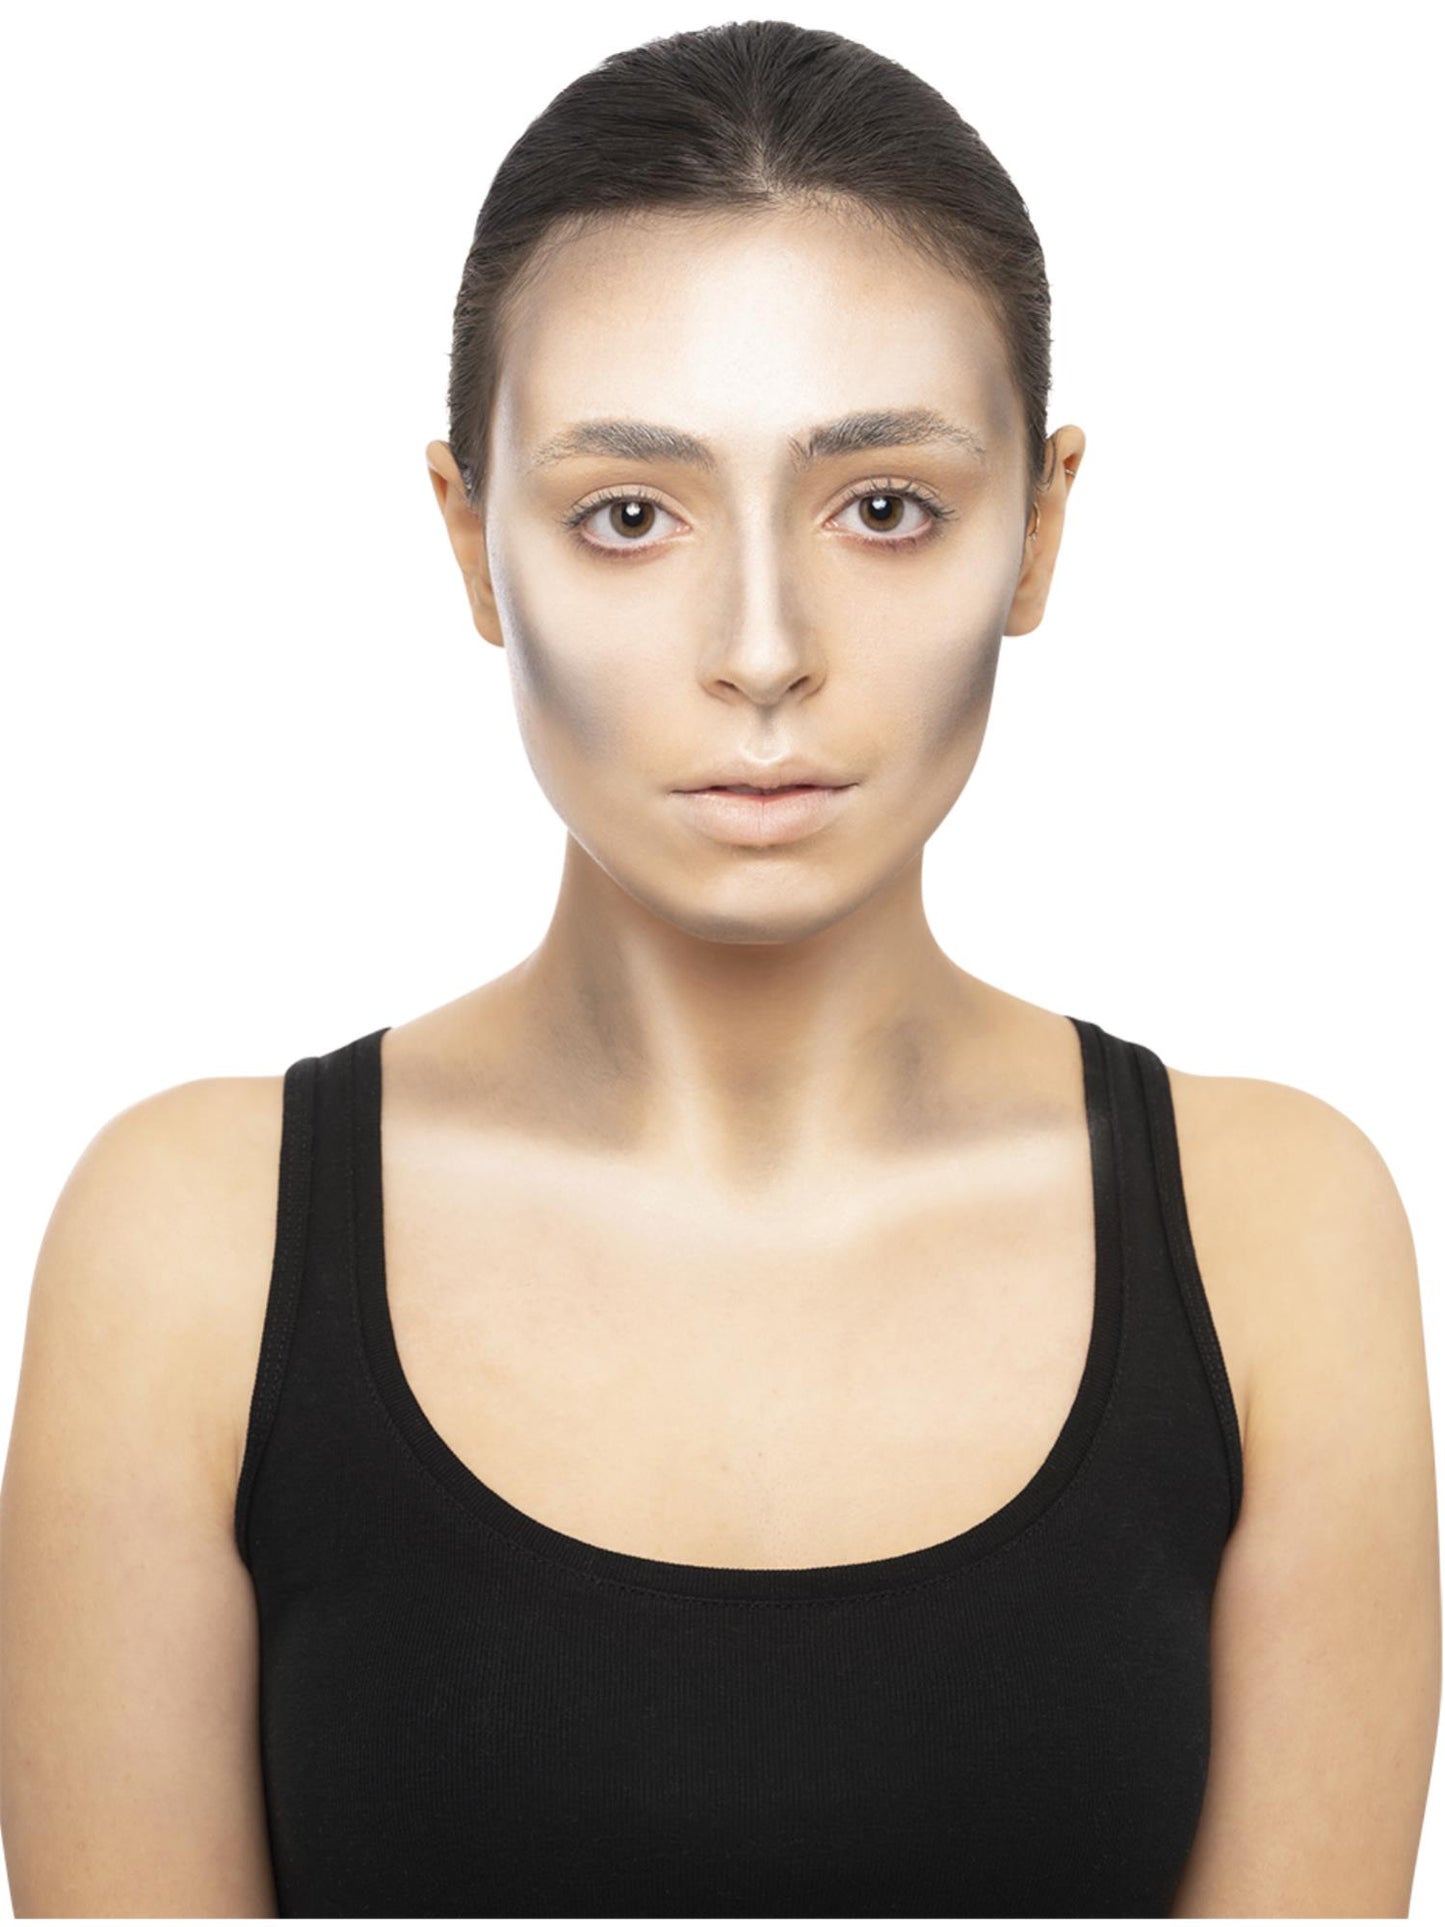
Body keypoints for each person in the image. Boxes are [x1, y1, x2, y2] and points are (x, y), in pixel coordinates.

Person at [1, 19, 1437, 1920]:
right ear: (470, 541)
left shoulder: (1274, 1238)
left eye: (883, 506)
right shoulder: (190, 1246)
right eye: (627, 514)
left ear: (1040, 528)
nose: (761, 651)